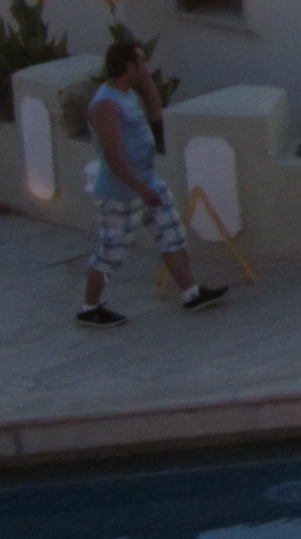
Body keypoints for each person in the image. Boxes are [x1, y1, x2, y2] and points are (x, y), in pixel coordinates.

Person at [76, 39, 226, 327]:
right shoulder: (106, 104)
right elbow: (112, 156)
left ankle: (191, 292)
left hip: (148, 182)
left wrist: (147, 83)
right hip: (122, 192)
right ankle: (89, 306)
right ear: (128, 66)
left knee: (171, 234)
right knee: (112, 251)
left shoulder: (129, 94)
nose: (146, 66)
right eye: (141, 62)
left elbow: (157, 117)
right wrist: (141, 190)